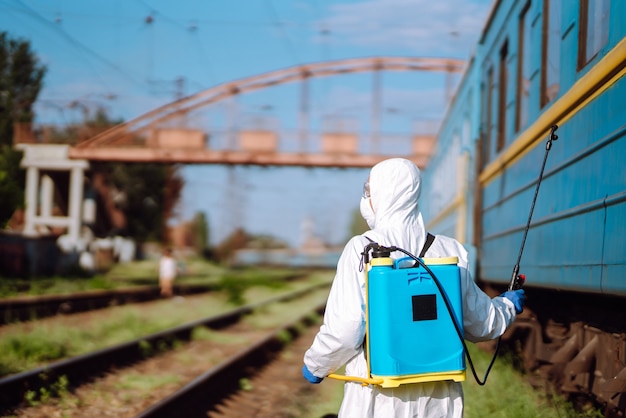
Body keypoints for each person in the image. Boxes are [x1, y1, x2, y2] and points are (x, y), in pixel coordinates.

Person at [302, 158, 525, 417]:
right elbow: (482, 323)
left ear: (382, 194)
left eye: (369, 191)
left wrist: (316, 365)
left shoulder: (361, 249)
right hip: (439, 399)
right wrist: (507, 305)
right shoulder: (449, 251)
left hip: (378, 397)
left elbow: (346, 329)